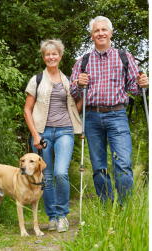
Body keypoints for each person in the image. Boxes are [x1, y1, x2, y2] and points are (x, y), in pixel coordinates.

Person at [70, 16, 149, 204]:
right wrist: (79, 85)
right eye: (96, 31)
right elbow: (73, 93)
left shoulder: (124, 57)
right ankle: (107, 205)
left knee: (122, 164)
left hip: (117, 115)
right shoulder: (83, 61)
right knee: (98, 167)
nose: (101, 33)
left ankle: (124, 208)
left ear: (111, 33)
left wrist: (143, 84)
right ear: (92, 35)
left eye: (104, 30)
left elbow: (135, 90)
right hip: (91, 116)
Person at [24, 39, 82, 232]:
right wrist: (35, 135)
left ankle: (63, 216)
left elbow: (75, 108)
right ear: (43, 57)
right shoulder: (37, 80)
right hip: (42, 132)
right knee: (45, 176)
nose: (51, 57)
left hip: (65, 130)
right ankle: (52, 217)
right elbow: (27, 110)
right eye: (47, 54)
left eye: (54, 53)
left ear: (60, 56)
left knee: (60, 173)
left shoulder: (68, 81)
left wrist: (83, 96)